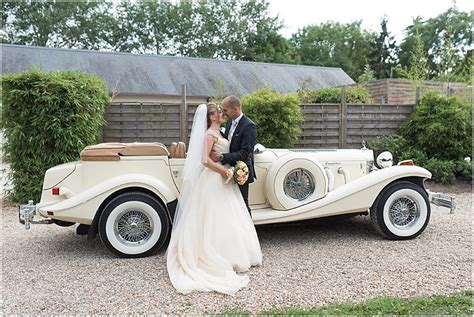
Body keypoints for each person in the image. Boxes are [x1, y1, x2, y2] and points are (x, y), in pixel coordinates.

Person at [166, 103, 262, 296]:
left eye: (222, 110)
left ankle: (230, 253)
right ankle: (215, 256)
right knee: (214, 217)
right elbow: (204, 160)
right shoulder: (210, 134)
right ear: (210, 118)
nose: (221, 113)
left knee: (229, 217)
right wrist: (224, 170)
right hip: (213, 179)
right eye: (218, 111)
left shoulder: (222, 132)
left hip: (223, 180)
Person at [210, 96, 256, 216]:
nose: (223, 113)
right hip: (226, 169)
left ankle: (248, 233)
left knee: (242, 203)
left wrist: (222, 157)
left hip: (241, 170)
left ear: (235, 109)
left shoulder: (249, 126)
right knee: (231, 205)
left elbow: (245, 152)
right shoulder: (229, 122)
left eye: (225, 110)